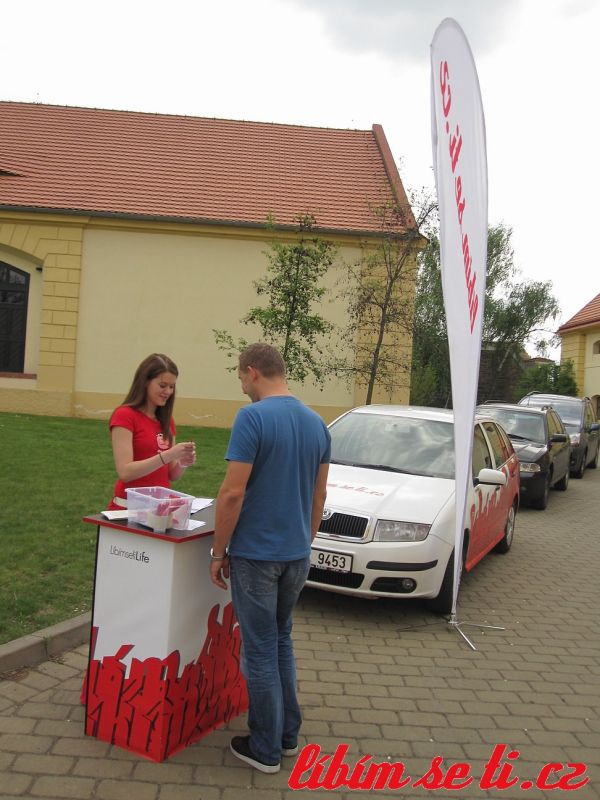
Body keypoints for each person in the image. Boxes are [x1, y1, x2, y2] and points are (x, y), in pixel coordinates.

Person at [209, 342, 330, 774]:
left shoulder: (253, 417)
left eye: (241, 377)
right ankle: (287, 735)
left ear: (253, 371)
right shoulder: (317, 423)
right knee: (281, 640)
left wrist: (218, 551)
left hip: (257, 555)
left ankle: (264, 749)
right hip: (296, 554)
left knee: (260, 650)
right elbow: (320, 494)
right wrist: (305, 539)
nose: (241, 386)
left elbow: (232, 492)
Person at [108, 353, 196, 509]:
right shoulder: (125, 415)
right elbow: (125, 472)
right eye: (162, 385)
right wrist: (168, 455)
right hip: (129, 508)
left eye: (172, 386)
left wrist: (183, 462)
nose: (168, 391)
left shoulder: (167, 421)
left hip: (159, 509)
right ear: (145, 382)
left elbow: (171, 475)